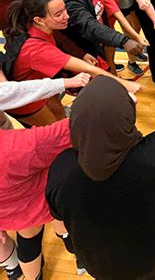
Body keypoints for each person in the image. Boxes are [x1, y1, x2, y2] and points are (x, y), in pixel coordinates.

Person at [46, 74, 155, 280]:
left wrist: (74, 249)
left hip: (102, 265)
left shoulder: (62, 169)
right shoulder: (152, 156)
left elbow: (60, 221)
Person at [3, 0, 141, 127]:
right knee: (55, 133)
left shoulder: (36, 27)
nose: (66, 16)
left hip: (42, 84)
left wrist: (82, 54)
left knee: (61, 118)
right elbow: (88, 69)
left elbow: (63, 45)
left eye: (65, 10)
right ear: (39, 20)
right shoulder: (35, 49)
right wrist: (124, 84)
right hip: (24, 98)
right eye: (58, 14)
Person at [0, 72, 91, 280]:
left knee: (28, 238)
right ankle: (80, 258)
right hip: (43, 197)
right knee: (62, 219)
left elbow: (8, 91)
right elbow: (65, 132)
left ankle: (29, 276)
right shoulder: (18, 147)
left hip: (9, 210)